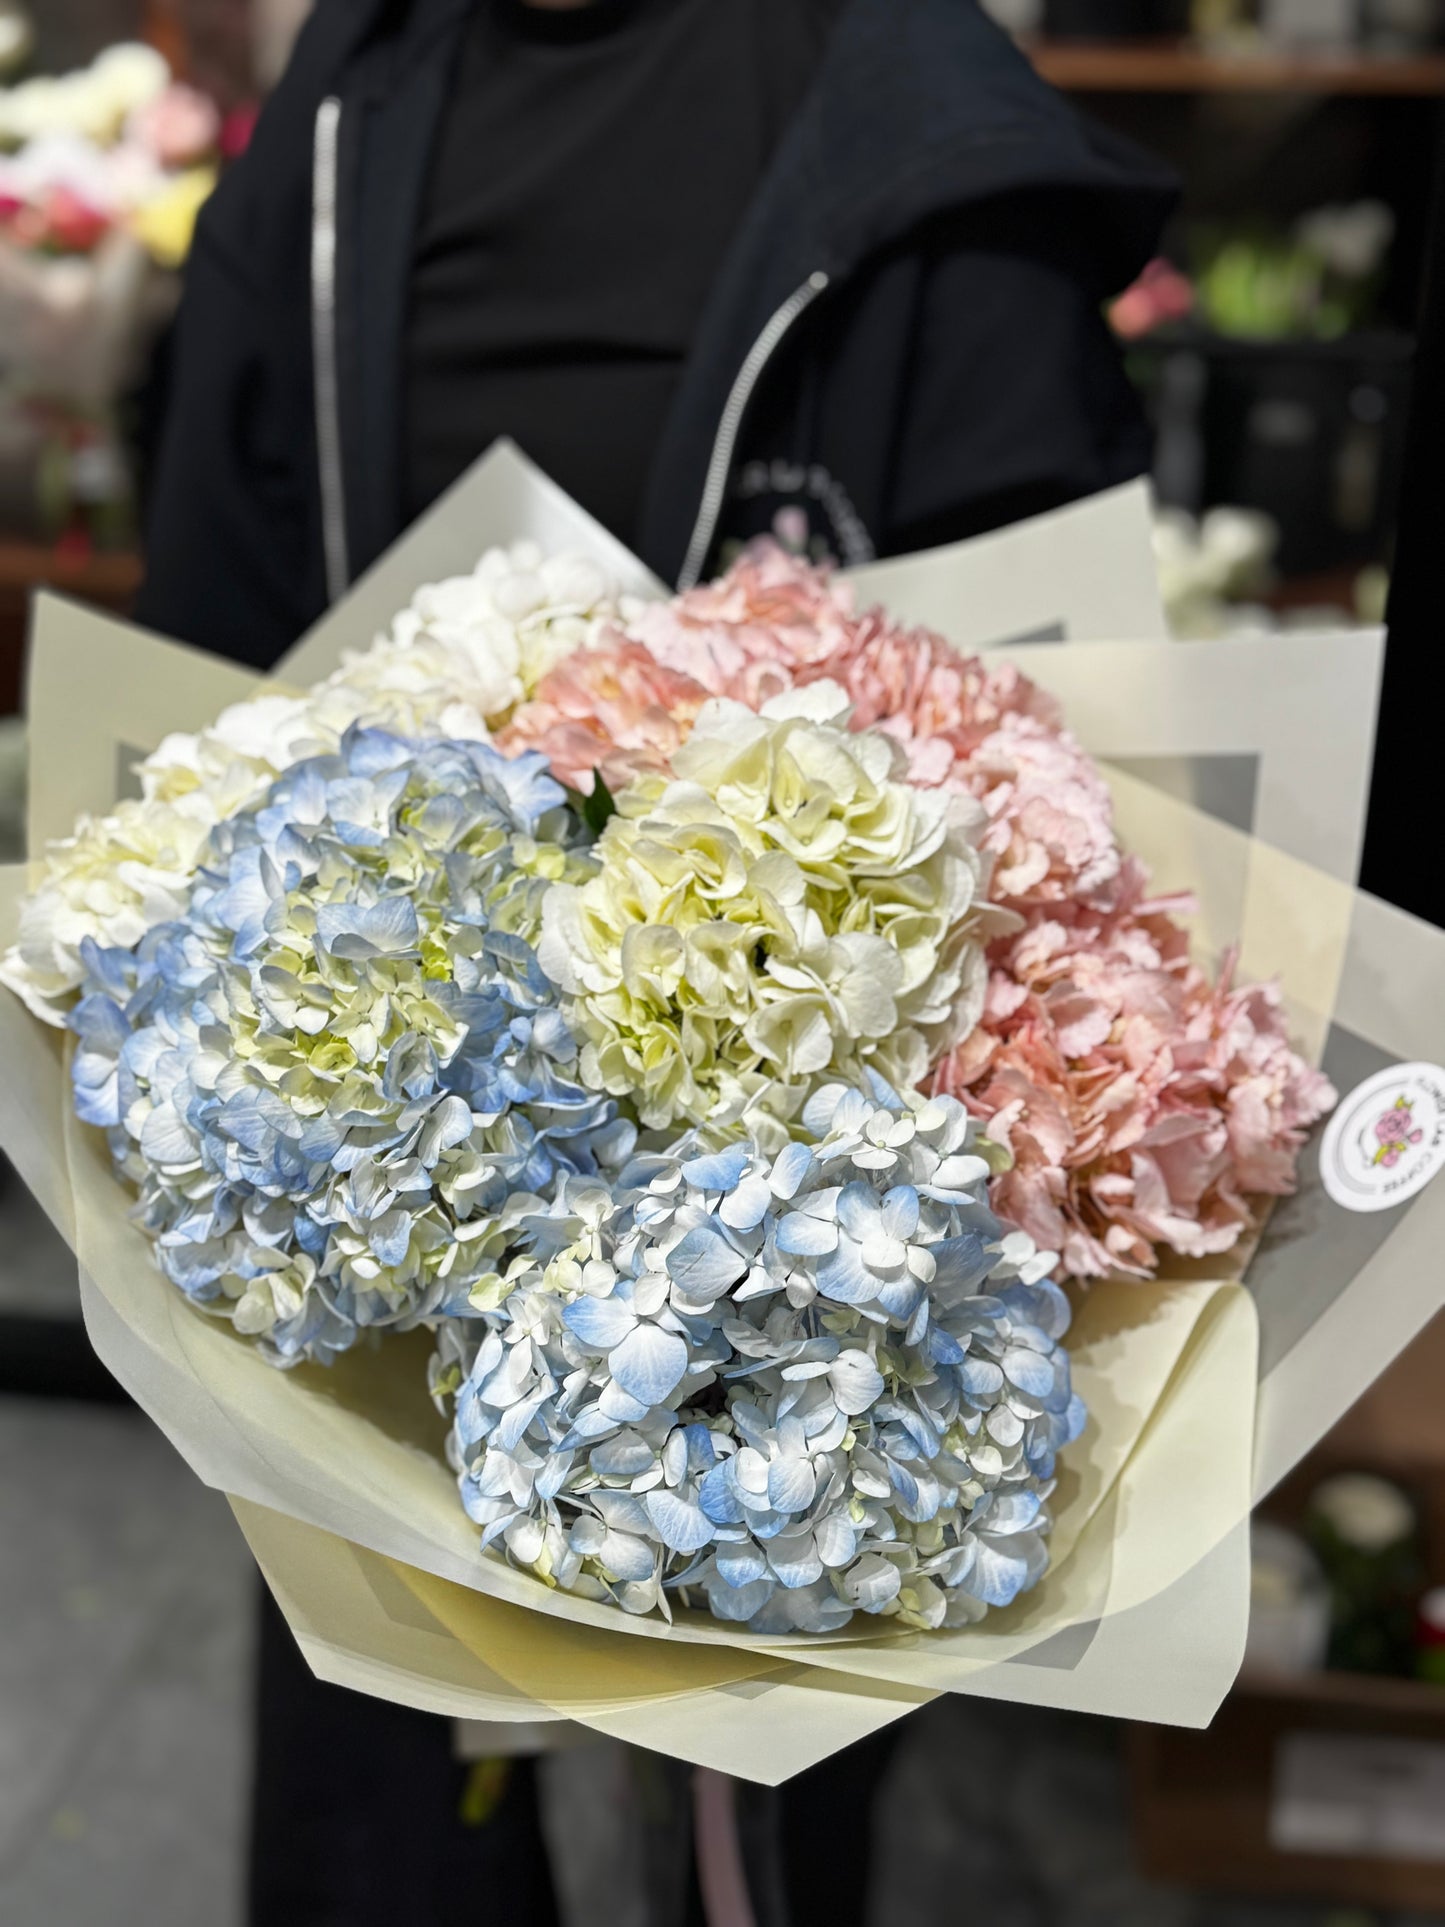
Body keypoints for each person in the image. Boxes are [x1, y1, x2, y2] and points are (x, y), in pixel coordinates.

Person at [134, 1, 1175, 1920]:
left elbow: (1072, 788)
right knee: (376, 1810)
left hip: (799, 1309)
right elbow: (213, 641)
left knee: (748, 1831)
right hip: (386, 1253)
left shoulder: (925, 129)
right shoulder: (356, 110)